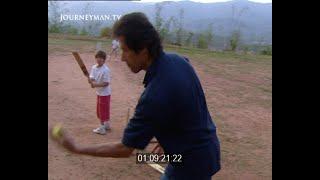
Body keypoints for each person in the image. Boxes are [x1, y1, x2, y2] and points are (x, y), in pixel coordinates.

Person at [51, 12, 220, 180]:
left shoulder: (155, 95)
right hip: (203, 149)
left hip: (189, 163)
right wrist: (165, 139)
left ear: (143, 49)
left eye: (125, 50)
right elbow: (181, 101)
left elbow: (125, 149)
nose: (123, 58)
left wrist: (77, 149)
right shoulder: (178, 60)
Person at [88, 50, 111, 135]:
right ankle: (107, 125)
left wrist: (95, 85)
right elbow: (92, 78)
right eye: (97, 57)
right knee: (102, 109)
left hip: (105, 93)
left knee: (102, 110)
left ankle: (102, 128)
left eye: (101, 58)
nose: (99, 59)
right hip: (99, 93)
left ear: (104, 60)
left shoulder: (106, 70)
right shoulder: (94, 67)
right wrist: (90, 80)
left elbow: (106, 83)